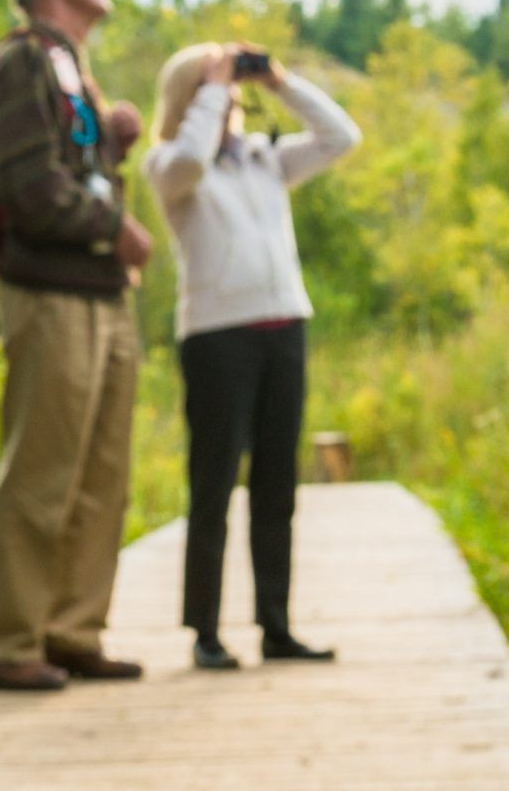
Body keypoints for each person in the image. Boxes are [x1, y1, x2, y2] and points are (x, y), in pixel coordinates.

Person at [0, 0, 153, 691]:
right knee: (42, 472)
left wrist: (111, 143)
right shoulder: (19, 63)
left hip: (103, 297)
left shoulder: (73, 67)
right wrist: (114, 228)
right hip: (49, 294)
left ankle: (72, 632)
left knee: (101, 476)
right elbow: (30, 190)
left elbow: (70, 166)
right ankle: (8, 643)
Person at [144, 41, 361, 670]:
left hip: (284, 327)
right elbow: (189, 156)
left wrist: (281, 82)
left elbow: (342, 136)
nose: (234, 93)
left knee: (277, 485)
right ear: (196, 96)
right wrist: (210, 85)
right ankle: (205, 632)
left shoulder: (265, 159)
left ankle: (276, 627)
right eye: (221, 85)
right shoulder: (172, 167)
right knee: (213, 484)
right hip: (217, 336)